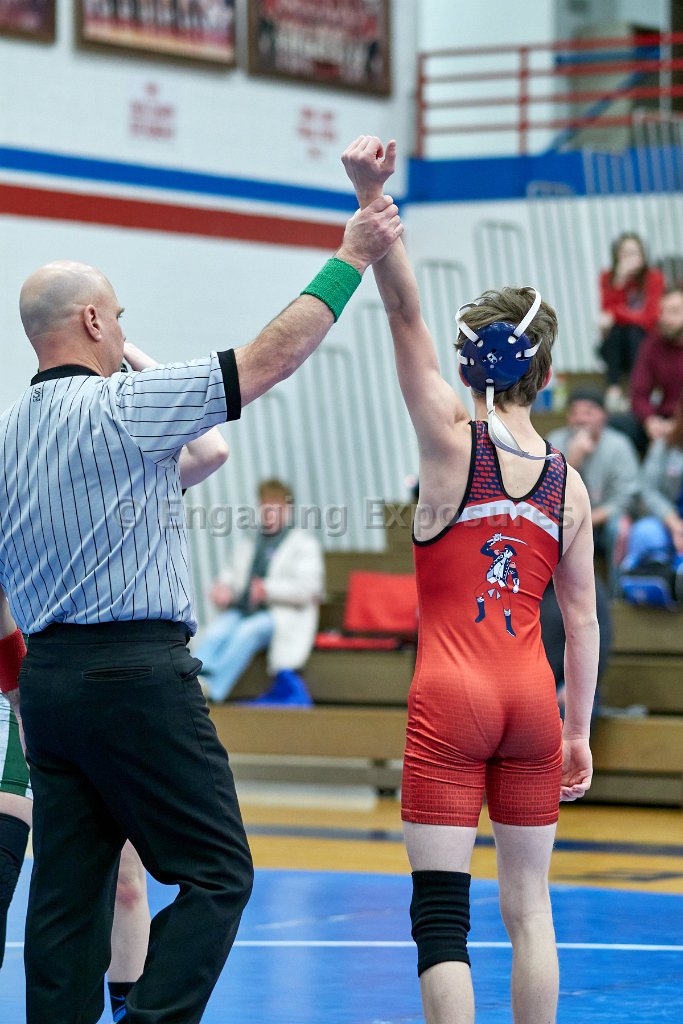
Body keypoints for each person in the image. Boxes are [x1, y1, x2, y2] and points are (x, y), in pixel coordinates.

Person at [0, 193, 402, 1024]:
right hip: (135, 677)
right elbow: (270, 358)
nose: (121, 329)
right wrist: (352, 258)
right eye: (118, 318)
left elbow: (202, 457)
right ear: (94, 321)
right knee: (219, 870)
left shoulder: (10, 437)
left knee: (67, 897)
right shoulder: (124, 407)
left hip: (49, 686)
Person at [342, 135, 598, 1024]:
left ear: (464, 369)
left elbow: (402, 314)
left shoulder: (451, 444)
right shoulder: (570, 485)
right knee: (530, 911)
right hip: (532, 701)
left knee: (441, 920)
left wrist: (375, 205)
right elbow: (582, 622)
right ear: (546, 375)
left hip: (451, 697)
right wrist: (576, 732)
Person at [197, 478, 324, 705]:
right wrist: (224, 589)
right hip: (243, 610)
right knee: (217, 630)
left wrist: (268, 590)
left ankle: (213, 690)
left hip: (280, 614)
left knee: (248, 632)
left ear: (288, 509)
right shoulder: (249, 542)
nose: (269, 512)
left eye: (275, 506)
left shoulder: (304, 545)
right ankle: (191, 681)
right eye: (265, 505)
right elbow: (231, 575)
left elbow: (308, 588)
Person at [547, 386, 640, 588]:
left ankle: (617, 593)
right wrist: (572, 460)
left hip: (605, 521)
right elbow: (546, 494)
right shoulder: (555, 442)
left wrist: (589, 519)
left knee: (621, 527)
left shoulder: (619, 445)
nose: (581, 419)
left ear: (603, 416)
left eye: (588, 412)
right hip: (566, 518)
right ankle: (554, 593)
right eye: (575, 412)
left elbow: (626, 497)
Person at [618, 398, 683, 601]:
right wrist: (674, 523)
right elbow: (648, 488)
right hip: (670, 520)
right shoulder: (666, 445)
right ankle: (640, 595)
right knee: (644, 533)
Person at [598, 232, 665, 412]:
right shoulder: (608, 277)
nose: (630, 258)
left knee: (632, 331)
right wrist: (619, 281)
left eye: (634, 253)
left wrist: (619, 314)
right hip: (617, 344)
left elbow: (650, 318)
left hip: (644, 339)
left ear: (643, 255)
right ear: (617, 256)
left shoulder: (654, 277)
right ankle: (613, 389)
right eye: (625, 253)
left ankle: (637, 390)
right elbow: (606, 312)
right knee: (616, 332)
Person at [614, 287, 683, 455]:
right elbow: (638, 392)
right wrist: (650, 420)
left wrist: (677, 425)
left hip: (678, 421)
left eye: (674, 312)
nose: (666, 318)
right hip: (661, 419)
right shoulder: (653, 344)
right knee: (616, 425)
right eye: (663, 311)